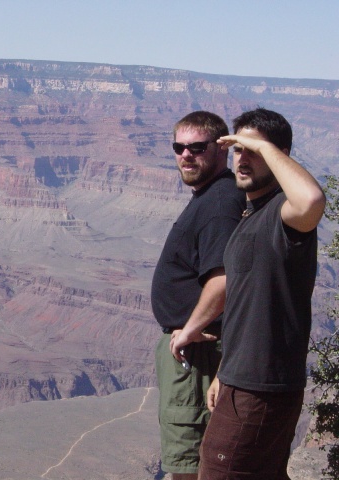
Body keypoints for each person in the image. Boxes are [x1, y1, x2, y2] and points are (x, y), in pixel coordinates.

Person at [197, 108, 326, 479]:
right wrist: (225, 371)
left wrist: (265, 148)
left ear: (280, 154)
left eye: (252, 150)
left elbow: (311, 200)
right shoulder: (251, 214)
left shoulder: (285, 215)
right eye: (238, 149)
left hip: (260, 386)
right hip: (243, 378)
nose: (242, 158)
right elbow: (246, 304)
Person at [151, 111, 246, 479]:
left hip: (198, 355)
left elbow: (223, 279)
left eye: (197, 147)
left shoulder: (219, 203)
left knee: (188, 465)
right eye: (179, 148)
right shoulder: (213, 195)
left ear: (221, 149)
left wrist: (189, 330)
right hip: (195, 352)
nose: (186, 155)